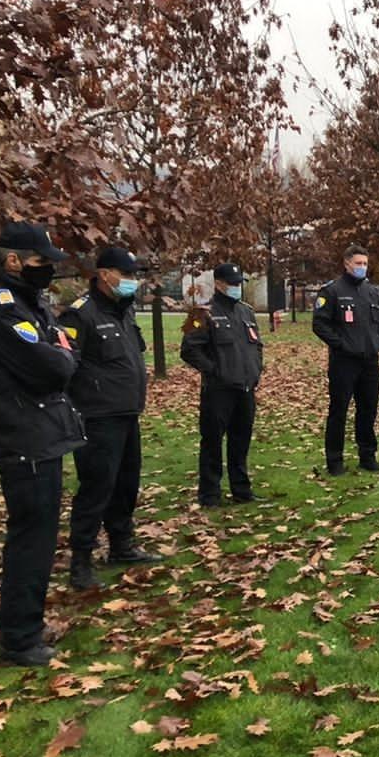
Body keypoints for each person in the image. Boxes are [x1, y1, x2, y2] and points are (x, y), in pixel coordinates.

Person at [0, 221, 84, 666]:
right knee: (31, 536)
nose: (47, 271)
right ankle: (20, 638)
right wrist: (60, 353)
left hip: (39, 430)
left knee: (40, 534)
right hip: (21, 434)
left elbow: (61, 350)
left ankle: (26, 623)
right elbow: (54, 366)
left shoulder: (24, 301)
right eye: (40, 263)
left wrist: (60, 352)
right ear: (12, 260)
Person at [59, 246, 160, 590]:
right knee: (96, 488)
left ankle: (122, 544)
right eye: (126, 275)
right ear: (105, 274)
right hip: (97, 416)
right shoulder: (80, 315)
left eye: (134, 275)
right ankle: (81, 560)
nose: (132, 282)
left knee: (126, 484)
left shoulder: (124, 312)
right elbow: (65, 367)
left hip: (127, 412)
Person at [180, 262, 263, 507]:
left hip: (245, 387)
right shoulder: (201, 313)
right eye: (233, 284)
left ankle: (241, 490)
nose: (237, 288)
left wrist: (256, 369)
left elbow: (256, 345)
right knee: (212, 442)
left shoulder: (246, 312)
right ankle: (210, 494)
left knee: (241, 441)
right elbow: (189, 350)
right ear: (219, 284)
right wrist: (215, 371)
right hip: (218, 390)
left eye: (240, 284)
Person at [313, 244, 379, 475]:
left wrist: (378, 341)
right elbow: (320, 324)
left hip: (369, 361)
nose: (362, 268)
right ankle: (334, 461)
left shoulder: (373, 292)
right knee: (339, 411)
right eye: (358, 263)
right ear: (347, 264)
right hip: (344, 362)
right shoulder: (332, 291)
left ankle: (367, 456)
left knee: (368, 410)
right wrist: (341, 345)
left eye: (365, 264)